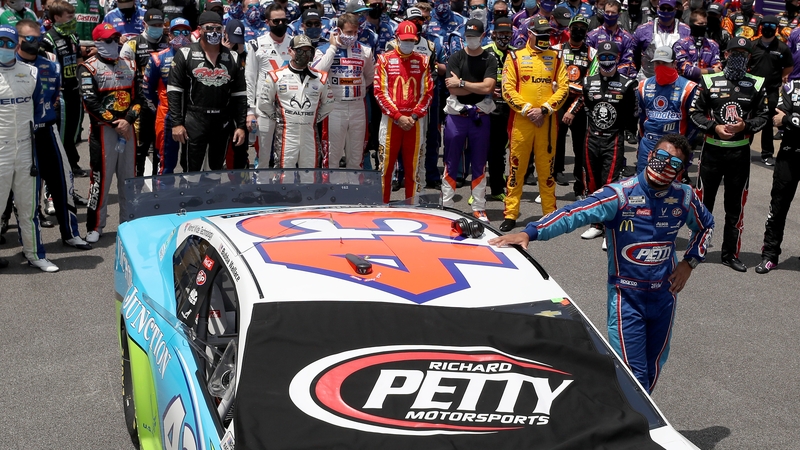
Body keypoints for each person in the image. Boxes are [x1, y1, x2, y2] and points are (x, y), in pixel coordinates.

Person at [489, 133, 714, 394]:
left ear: (682, 171)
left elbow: (706, 226)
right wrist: (531, 232)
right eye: (661, 157)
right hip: (627, 298)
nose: (665, 166)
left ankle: (635, 422)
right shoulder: (619, 195)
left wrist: (690, 262)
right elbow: (573, 213)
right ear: (650, 155)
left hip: (665, 297)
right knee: (634, 375)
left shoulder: (684, 197)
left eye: (674, 164)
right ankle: (636, 427)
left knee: (653, 367)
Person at [689, 37, 769, 272]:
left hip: (739, 153)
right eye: (734, 53)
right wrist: (714, 127)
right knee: (703, 203)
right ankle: (697, 249)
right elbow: (694, 111)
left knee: (735, 206)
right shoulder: (709, 80)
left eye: (743, 54)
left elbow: (763, 116)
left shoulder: (756, 83)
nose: (738, 57)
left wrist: (745, 126)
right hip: (712, 150)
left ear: (748, 58)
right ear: (725, 55)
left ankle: (730, 254)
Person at [16, 19, 91, 252]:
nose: (35, 43)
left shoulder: (50, 64)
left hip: (47, 130)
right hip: (19, 137)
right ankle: (31, 248)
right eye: (29, 39)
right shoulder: (9, 66)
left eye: (38, 38)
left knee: (63, 180)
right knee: (25, 192)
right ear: (18, 40)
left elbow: (55, 97)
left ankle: (70, 234)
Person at [499, 16, 568, 231]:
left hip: (546, 123)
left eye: (547, 35)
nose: (545, 39)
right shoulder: (515, 57)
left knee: (546, 170)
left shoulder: (556, 58)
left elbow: (564, 88)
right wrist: (529, 110)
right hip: (522, 121)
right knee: (516, 168)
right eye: (540, 35)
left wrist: (545, 109)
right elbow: (507, 90)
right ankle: (510, 214)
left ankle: (549, 213)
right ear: (530, 34)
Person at [0, 25, 60, 272]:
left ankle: (35, 254)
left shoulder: (31, 73)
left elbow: (40, 108)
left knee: (28, 207)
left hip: (26, 149)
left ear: (17, 45)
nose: (3, 47)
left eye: (7, 42)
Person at [79, 23, 141, 244]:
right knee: (100, 180)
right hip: (103, 131)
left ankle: (129, 222)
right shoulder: (88, 67)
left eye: (115, 39)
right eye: (107, 40)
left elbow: (139, 97)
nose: (112, 44)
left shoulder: (131, 64)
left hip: (128, 129)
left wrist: (128, 120)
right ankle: (95, 226)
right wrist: (115, 122)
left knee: (129, 179)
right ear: (96, 43)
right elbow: (90, 103)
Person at [167, 11, 247, 172]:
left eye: (218, 29)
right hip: (194, 119)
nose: (214, 32)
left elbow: (239, 95)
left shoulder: (232, 57)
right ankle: (189, 197)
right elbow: (174, 91)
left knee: (215, 170)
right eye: (209, 28)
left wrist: (241, 125)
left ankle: (212, 197)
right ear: (200, 29)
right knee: (191, 170)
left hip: (221, 121)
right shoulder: (185, 53)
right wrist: (176, 123)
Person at [578, 40, 638, 244]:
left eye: (610, 57)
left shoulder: (627, 83)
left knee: (610, 184)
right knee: (592, 183)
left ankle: (611, 228)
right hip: (592, 138)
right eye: (602, 57)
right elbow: (586, 106)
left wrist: (630, 131)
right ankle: (596, 224)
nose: (606, 61)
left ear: (617, 58)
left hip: (613, 139)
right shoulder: (588, 82)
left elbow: (632, 112)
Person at [441, 19, 496, 221]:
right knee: (451, 160)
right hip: (457, 115)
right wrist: (475, 86)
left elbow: (489, 87)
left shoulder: (489, 59)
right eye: (468, 36)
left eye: (475, 36)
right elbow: (452, 88)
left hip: (481, 116)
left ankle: (479, 206)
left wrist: (463, 82)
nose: (471, 39)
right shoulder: (456, 57)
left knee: (480, 162)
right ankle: (446, 204)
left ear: (482, 36)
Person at [257, 34, 333, 181]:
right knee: (284, 176)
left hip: (310, 134)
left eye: (308, 51)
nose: (304, 55)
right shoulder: (276, 76)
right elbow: (264, 103)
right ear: (290, 51)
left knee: (310, 176)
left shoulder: (321, 77)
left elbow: (329, 104)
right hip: (286, 134)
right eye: (300, 51)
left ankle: (309, 202)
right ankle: (283, 202)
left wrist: (313, 118)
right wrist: (280, 118)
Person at [372, 20, 433, 202]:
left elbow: (428, 92)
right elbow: (379, 92)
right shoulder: (384, 60)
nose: (408, 44)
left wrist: (413, 116)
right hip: (391, 121)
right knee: (385, 169)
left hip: (415, 122)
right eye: (404, 40)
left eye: (411, 41)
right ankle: (381, 206)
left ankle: (413, 207)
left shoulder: (423, 60)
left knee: (414, 168)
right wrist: (398, 116)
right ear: (396, 38)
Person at [313, 13, 374, 179]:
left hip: (357, 106)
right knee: (332, 154)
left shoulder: (365, 50)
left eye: (355, 32)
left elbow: (370, 76)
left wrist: (359, 88)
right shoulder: (323, 50)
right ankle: (330, 192)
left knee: (356, 154)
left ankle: (353, 191)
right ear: (338, 30)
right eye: (348, 32)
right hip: (334, 107)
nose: (352, 36)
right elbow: (318, 73)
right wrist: (333, 48)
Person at [755, 79, 800, 273]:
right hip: (789, 155)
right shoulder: (792, 86)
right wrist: (789, 120)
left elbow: (785, 119)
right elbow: (777, 117)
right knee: (778, 207)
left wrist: (790, 119)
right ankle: (770, 255)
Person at [43, 0, 89, 180]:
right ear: (57, 18)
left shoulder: (74, 36)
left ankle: (72, 164)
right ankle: (59, 168)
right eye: (69, 17)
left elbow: (79, 60)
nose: (73, 20)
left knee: (74, 132)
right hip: (59, 95)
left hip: (75, 90)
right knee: (61, 133)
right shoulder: (47, 40)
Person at [120, 8, 169, 176]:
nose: (157, 27)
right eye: (153, 25)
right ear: (144, 24)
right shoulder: (131, 44)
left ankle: (158, 185)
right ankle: (137, 185)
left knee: (160, 147)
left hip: (163, 104)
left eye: (160, 24)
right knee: (139, 148)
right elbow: (124, 77)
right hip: (140, 105)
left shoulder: (169, 42)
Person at [635, 46, 697, 173]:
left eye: (665, 63)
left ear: (674, 63)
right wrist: (641, 143)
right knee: (643, 184)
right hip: (649, 144)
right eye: (658, 63)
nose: (661, 66)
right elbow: (641, 118)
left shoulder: (688, 88)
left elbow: (693, 123)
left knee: (670, 186)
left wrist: (685, 146)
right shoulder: (643, 86)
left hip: (674, 147)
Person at [142, 17, 191, 174]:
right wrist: (158, 108)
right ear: (169, 34)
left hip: (192, 114)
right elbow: (147, 89)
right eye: (177, 32)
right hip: (166, 115)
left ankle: (188, 194)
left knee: (191, 161)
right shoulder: (158, 58)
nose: (181, 36)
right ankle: (162, 196)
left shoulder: (198, 56)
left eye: (185, 32)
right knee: (165, 162)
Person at [245, 3, 291, 169]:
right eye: (276, 21)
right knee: (263, 155)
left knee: (288, 154)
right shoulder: (256, 44)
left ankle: (286, 188)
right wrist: (250, 111)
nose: (280, 25)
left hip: (289, 107)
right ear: (267, 22)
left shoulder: (294, 44)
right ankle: (261, 188)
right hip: (264, 107)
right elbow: (250, 79)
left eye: (284, 21)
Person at [553, 14, 593, 194]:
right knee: (556, 139)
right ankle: (556, 174)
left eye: (582, 28)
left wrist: (574, 108)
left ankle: (579, 185)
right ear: (569, 29)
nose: (578, 31)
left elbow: (590, 85)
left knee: (579, 146)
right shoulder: (557, 50)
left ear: (586, 31)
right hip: (558, 101)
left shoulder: (592, 53)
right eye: (575, 27)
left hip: (579, 103)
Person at [747, 15, 793, 166]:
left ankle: (767, 154)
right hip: (752, 90)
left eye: (772, 26)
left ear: (777, 28)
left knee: (767, 122)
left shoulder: (782, 48)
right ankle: (745, 150)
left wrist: (779, 77)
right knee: (750, 119)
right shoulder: (753, 45)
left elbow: (788, 67)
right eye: (765, 25)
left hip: (771, 90)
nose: (768, 28)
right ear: (760, 27)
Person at [484, 15, 514, 201]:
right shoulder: (485, 51)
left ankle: (499, 187)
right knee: (486, 150)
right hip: (488, 108)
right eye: (501, 33)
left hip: (509, 110)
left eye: (508, 33)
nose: (504, 37)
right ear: (494, 34)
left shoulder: (515, 53)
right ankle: (483, 190)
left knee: (503, 151)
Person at [632, 0, 690, 81]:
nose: (666, 11)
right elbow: (633, 57)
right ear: (658, 8)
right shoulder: (643, 30)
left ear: (675, 9)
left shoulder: (686, 30)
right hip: (647, 80)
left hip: (676, 82)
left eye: (669, 9)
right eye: (663, 8)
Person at [586, 0, 636, 78]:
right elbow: (589, 61)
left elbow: (628, 62)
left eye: (613, 12)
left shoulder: (627, 38)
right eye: (607, 12)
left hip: (618, 79)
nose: (609, 14)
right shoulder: (592, 36)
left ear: (619, 14)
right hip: (597, 78)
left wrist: (613, 75)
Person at [673, 9, 721, 82]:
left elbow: (718, 69)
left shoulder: (713, 45)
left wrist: (699, 71)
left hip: (707, 87)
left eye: (705, 24)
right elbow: (686, 70)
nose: (704, 26)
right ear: (692, 24)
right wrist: (711, 71)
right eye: (701, 24)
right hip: (685, 86)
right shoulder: (680, 44)